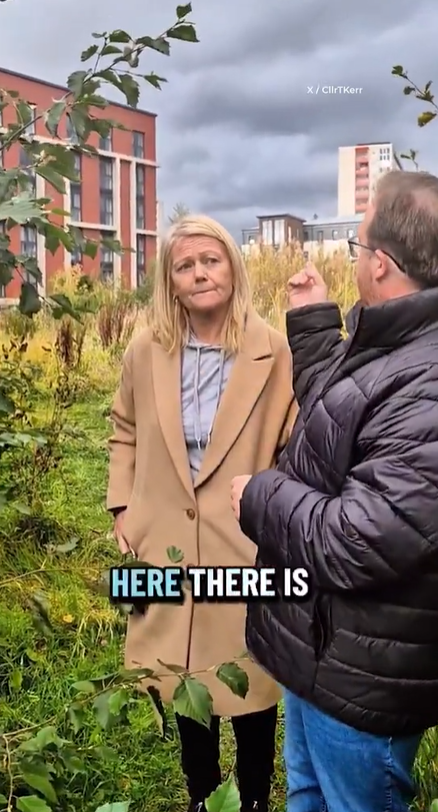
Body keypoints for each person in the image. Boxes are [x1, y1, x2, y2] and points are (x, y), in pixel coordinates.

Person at [230, 170, 438, 812]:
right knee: (308, 795)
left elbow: (358, 538)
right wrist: (315, 322)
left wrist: (260, 497)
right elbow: (345, 417)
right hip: (325, 650)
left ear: (380, 263)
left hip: (364, 679)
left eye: (356, 247)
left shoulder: (429, 383)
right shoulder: (396, 340)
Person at [106, 214, 297, 812]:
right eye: (185, 265)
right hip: (162, 541)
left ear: (232, 268)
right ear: (171, 281)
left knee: (251, 678)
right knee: (180, 675)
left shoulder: (274, 351)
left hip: (244, 546)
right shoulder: (147, 349)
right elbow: (125, 428)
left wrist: (279, 515)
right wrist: (122, 509)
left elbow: (296, 443)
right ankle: (202, 797)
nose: (199, 274)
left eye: (209, 261)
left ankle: (255, 800)